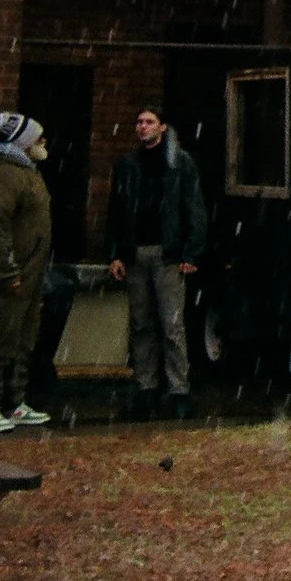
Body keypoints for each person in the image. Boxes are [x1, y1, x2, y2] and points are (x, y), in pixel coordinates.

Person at [108, 106, 207, 420]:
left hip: (168, 253)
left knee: (171, 325)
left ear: (163, 127)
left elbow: (193, 207)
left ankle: (179, 390)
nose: (142, 127)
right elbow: (116, 210)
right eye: (138, 121)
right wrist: (116, 253)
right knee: (141, 325)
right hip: (136, 252)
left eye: (149, 122)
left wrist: (191, 253)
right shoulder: (127, 165)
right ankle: (146, 388)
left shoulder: (180, 164)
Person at [0, 112, 54, 433]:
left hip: (29, 275)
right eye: (38, 137)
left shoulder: (28, 173)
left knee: (23, 339)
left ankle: (14, 401)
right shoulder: (4, 175)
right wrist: (7, 273)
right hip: (8, 277)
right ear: (22, 141)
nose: (43, 142)